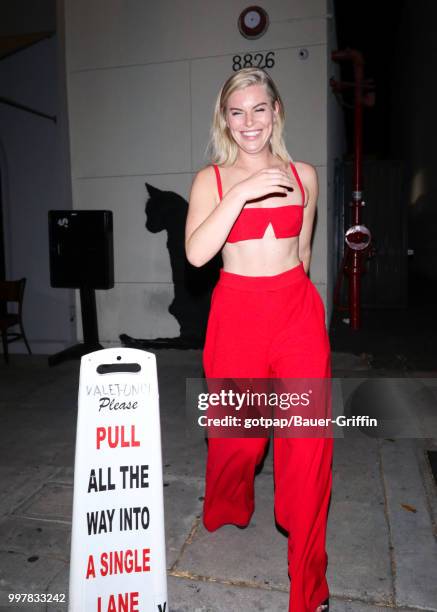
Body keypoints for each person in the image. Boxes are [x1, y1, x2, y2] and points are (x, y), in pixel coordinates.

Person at [185, 67, 332, 612]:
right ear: (225, 118)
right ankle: (228, 500)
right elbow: (197, 255)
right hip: (237, 318)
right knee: (237, 440)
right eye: (237, 111)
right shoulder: (211, 181)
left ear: (277, 112)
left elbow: (305, 251)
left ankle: (309, 584)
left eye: (259, 109)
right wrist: (243, 189)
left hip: (295, 313)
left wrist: (309, 322)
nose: (250, 122)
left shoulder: (304, 175)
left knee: (309, 452)